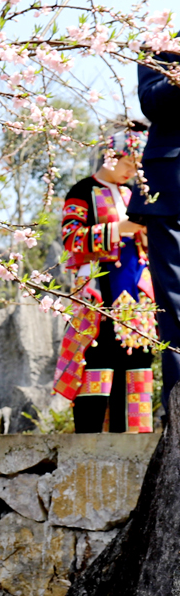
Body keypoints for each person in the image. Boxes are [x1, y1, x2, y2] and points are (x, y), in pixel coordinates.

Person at [53, 126, 157, 433]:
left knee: (138, 366)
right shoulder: (82, 190)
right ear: (112, 156)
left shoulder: (136, 195)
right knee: (97, 364)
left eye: (139, 166)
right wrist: (119, 229)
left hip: (138, 302)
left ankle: (137, 443)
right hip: (97, 299)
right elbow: (71, 239)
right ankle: (89, 442)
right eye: (129, 163)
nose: (133, 171)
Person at [132, 51, 180, 414]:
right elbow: (152, 102)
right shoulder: (163, 44)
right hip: (172, 189)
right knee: (176, 304)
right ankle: (179, 412)